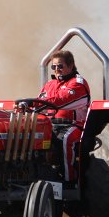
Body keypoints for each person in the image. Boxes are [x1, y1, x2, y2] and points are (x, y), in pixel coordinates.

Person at [38, 49, 90, 182]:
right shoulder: (49, 84)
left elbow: (62, 100)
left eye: (60, 66)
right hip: (51, 124)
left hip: (74, 125)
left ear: (71, 65)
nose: (56, 69)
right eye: (53, 66)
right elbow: (40, 103)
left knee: (66, 139)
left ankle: (70, 181)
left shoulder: (78, 83)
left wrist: (36, 104)